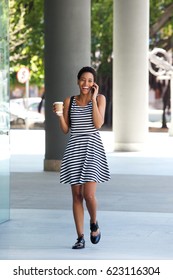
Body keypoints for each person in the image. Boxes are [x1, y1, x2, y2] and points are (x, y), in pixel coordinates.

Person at [53, 66, 110, 249]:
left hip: (92, 148)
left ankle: (94, 222)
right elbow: (66, 129)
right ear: (78, 81)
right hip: (74, 148)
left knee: (89, 194)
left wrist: (93, 99)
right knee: (77, 196)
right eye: (83, 80)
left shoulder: (100, 98)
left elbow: (98, 124)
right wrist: (60, 115)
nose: (86, 83)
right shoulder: (70, 100)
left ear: (94, 84)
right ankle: (80, 237)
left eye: (90, 80)